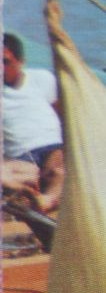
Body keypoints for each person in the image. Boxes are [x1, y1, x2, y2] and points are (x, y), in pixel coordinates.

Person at [3, 33, 64, 214]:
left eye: (6, 62)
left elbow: (61, 114)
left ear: (21, 61)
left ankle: (45, 200)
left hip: (51, 147)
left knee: (59, 172)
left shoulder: (42, 79)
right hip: (20, 157)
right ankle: (27, 187)